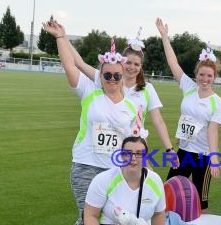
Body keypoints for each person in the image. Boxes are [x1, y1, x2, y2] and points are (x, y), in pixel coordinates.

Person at [42, 21, 139, 225]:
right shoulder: (89, 92)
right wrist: (61, 37)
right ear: (101, 76)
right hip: (85, 166)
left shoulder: (131, 107)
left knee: (111, 217)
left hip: (113, 171)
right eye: (106, 75)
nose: (111, 79)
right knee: (86, 216)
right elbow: (69, 67)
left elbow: (133, 142)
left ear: (123, 77)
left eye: (116, 76)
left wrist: (141, 169)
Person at [61, 24, 177, 162]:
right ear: (121, 63)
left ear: (141, 67)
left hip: (134, 146)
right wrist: (63, 37)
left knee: (140, 180)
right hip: (103, 150)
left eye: (136, 64)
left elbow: (158, 121)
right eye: (128, 62)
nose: (132, 67)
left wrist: (169, 149)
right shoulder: (108, 78)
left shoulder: (147, 89)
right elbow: (80, 63)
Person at [156, 18, 221, 213]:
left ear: (214, 77)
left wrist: (214, 158)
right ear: (196, 74)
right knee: (169, 192)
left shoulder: (216, 102)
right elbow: (173, 62)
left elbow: (213, 132)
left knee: (201, 202)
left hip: (202, 156)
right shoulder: (188, 87)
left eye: (209, 76)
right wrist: (165, 37)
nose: (205, 79)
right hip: (183, 152)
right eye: (202, 75)